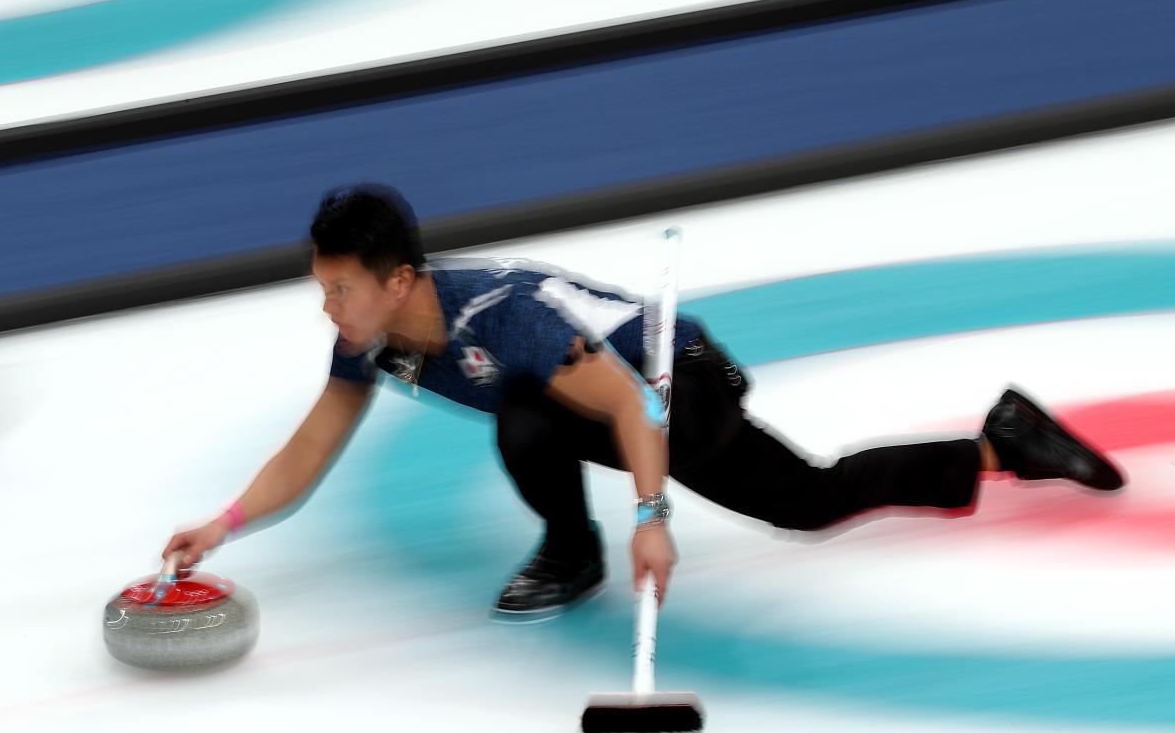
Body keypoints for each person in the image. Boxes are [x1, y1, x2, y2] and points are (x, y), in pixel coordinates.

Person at [163, 184, 1125, 618]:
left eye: (341, 289)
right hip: (587, 398)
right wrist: (227, 522)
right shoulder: (368, 343)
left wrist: (653, 519)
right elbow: (314, 441)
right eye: (323, 289)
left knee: (809, 499)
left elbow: (631, 410)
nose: (328, 308)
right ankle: (570, 554)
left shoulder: (508, 320)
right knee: (528, 417)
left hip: (672, 382)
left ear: (403, 279)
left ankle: (1000, 446)